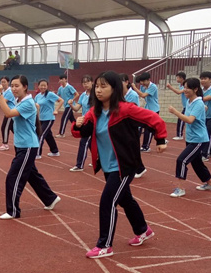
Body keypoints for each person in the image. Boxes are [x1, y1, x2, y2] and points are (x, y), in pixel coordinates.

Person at [72, 71, 168, 258]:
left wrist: (161, 139)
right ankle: (143, 229)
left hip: (125, 165)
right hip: (108, 165)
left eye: (103, 86)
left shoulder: (126, 109)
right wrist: (78, 124)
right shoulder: (94, 112)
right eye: (97, 86)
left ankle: (105, 245)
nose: (98, 90)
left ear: (114, 88)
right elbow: (81, 133)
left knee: (108, 201)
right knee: (125, 199)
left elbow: (154, 119)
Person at [0, 75, 60, 219]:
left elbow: (9, 113)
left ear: (25, 87)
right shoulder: (20, 101)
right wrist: (1, 97)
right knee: (32, 175)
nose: (14, 88)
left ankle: (13, 211)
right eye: (12, 86)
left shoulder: (28, 103)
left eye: (17, 86)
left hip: (28, 146)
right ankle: (50, 198)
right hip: (21, 145)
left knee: (13, 177)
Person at [167, 77, 211, 198]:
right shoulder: (191, 102)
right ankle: (210, 183)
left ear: (195, 89)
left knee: (182, 160)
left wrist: (175, 112)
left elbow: (189, 120)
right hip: (191, 138)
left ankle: (180, 188)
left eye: (188, 87)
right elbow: (199, 109)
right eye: (184, 87)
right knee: (197, 163)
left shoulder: (198, 103)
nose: (185, 90)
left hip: (199, 139)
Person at [123, 73, 147, 178]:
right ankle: (133, 167)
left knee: (133, 147)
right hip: (125, 125)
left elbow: (133, 110)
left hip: (132, 125)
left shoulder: (132, 95)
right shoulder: (122, 94)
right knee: (128, 147)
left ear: (126, 82)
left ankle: (140, 168)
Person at [69, 75, 94, 172]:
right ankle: (98, 159)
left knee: (84, 142)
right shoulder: (83, 95)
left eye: (87, 82)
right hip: (84, 122)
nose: (85, 84)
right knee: (90, 142)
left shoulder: (96, 94)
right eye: (84, 83)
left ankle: (79, 165)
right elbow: (77, 108)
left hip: (92, 122)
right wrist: (71, 104)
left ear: (92, 82)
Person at [34, 79, 63, 158]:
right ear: (38, 86)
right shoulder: (37, 96)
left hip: (49, 118)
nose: (43, 87)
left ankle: (37, 153)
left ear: (47, 86)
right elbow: (35, 106)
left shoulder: (49, 94)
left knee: (41, 134)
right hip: (41, 118)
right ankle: (55, 151)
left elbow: (61, 100)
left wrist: (56, 110)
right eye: (41, 85)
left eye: (45, 85)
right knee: (48, 135)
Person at [133, 72, 159, 151]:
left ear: (148, 80)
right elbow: (142, 96)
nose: (142, 83)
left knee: (149, 129)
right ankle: (162, 139)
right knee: (141, 126)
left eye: (144, 81)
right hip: (147, 109)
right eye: (141, 81)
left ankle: (146, 146)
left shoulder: (153, 86)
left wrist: (134, 88)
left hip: (154, 110)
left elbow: (143, 95)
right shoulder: (143, 87)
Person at [0, 75, 15, 150]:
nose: (3, 83)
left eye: (4, 82)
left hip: (10, 112)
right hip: (7, 111)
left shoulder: (9, 92)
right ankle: (24, 139)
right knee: (13, 128)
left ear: (8, 82)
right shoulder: (3, 91)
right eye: (1, 82)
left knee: (4, 128)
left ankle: (5, 144)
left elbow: (3, 101)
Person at [166, 72, 187, 140]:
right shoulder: (180, 85)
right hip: (185, 106)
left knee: (181, 119)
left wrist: (170, 87)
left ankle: (179, 135)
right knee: (182, 119)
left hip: (188, 106)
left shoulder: (186, 85)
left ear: (181, 78)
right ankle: (179, 134)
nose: (176, 79)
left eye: (177, 78)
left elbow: (178, 92)